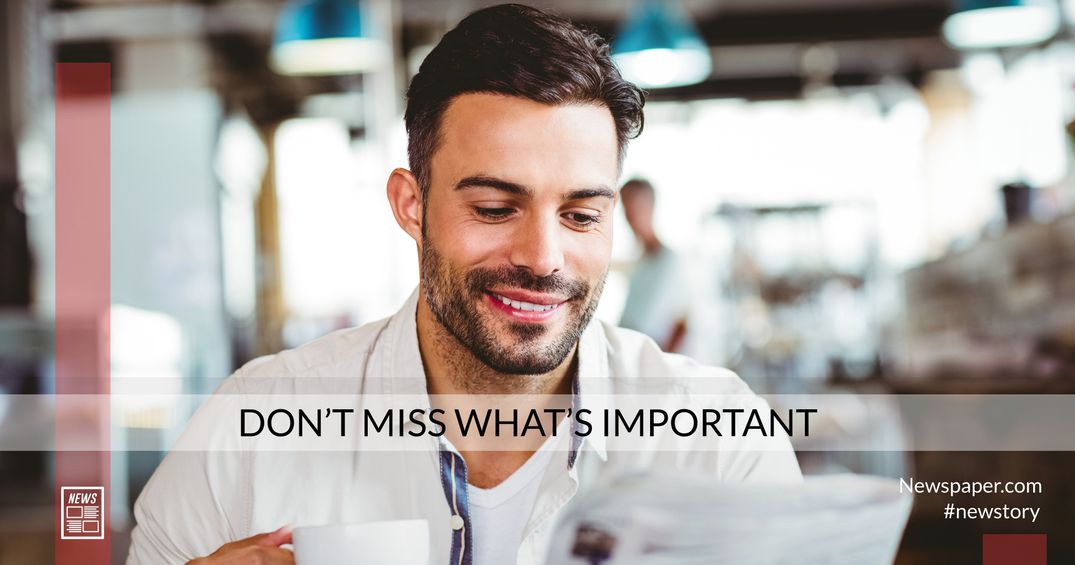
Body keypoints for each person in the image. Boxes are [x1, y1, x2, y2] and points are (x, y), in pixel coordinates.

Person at [127, 5, 800, 565]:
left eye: (580, 215)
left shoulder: (717, 442)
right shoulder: (253, 430)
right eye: (494, 208)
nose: (543, 257)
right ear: (410, 205)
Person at [618, 178, 692, 353]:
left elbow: (683, 322)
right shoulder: (640, 261)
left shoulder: (672, 262)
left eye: (635, 207)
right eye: (626, 208)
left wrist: (661, 366)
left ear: (650, 207)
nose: (630, 217)